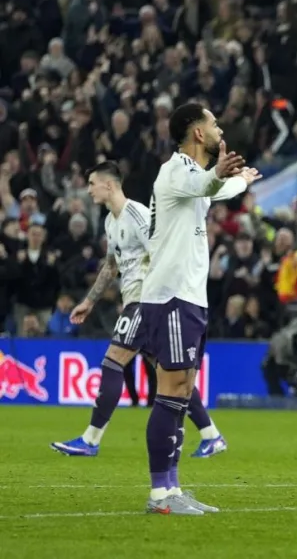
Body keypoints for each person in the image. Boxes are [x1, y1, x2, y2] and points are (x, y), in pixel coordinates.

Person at [50, 163, 228, 459]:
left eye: (92, 182)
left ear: (109, 185)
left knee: (113, 362)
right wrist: (90, 301)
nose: (89, 188)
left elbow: (164, 251)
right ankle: (212, 435)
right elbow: (111, 266)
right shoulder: (111, 221)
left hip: (148, 300)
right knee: (171, 374)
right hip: (139, 300)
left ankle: (90, 440)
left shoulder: (139, 215)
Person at [140, 103, 261, 515]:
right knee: (170, 391)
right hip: (171, 295)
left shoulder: (192, 178)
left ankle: (173, 489)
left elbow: (216, 190)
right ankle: (160, 494)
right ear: (196, 133)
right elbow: (209, 186)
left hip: (189, 297)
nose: (219, 128)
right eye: (213, 124)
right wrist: (221, 175)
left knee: (183, 390)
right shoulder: (175, 171)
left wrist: (240, 180)